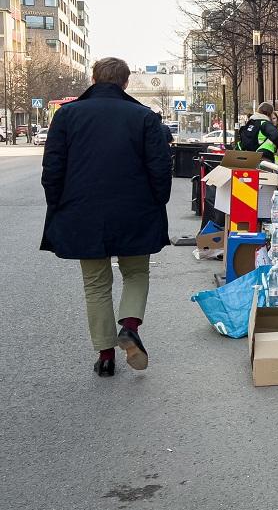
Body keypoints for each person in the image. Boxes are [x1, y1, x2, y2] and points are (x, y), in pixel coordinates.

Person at [40, 57, 172, 377]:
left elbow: (53, 168)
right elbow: (160, 167)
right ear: (125, 83)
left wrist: (57, 204)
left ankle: (106, 355)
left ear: (94, 78)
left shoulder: (67, 115)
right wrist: (158, 202)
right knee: (136, 273)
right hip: (135, 210)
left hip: (82, 211)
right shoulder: (144, 117)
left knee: (96, 284)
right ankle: (129, 326)